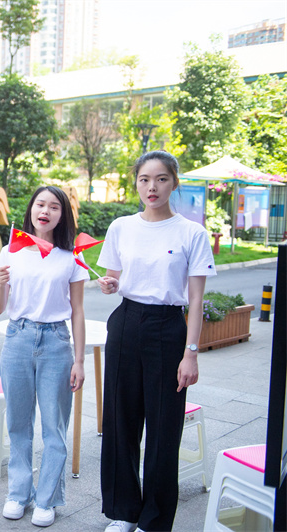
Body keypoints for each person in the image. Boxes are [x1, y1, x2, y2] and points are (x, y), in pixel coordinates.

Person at [97, 151, 215, 532]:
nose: (152, 187)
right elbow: (115, 278)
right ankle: (124, 512)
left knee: (164, 428)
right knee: (120, 421)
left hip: (167, 328)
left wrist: (191, 353)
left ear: (174, 183)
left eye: (161, 179)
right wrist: (109, 284)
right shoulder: (121, 227)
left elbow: (195, 299)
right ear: (136, 182)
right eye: (145, 179)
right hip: (126, 323)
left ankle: (155, 520)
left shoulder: (191, 233)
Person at [0, 186, 87, 527]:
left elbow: (78, 310)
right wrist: (0, 282)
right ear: (31, 209)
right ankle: (18, 493)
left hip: (56, 342)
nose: (45, 211)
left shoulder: (71, 256)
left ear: (63, 215)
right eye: (40, 204)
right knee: (18, 423)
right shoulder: (12, 250)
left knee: (54, 426)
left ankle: (47, 498)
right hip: (17, 337)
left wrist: (79, 360)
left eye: (54, 206)